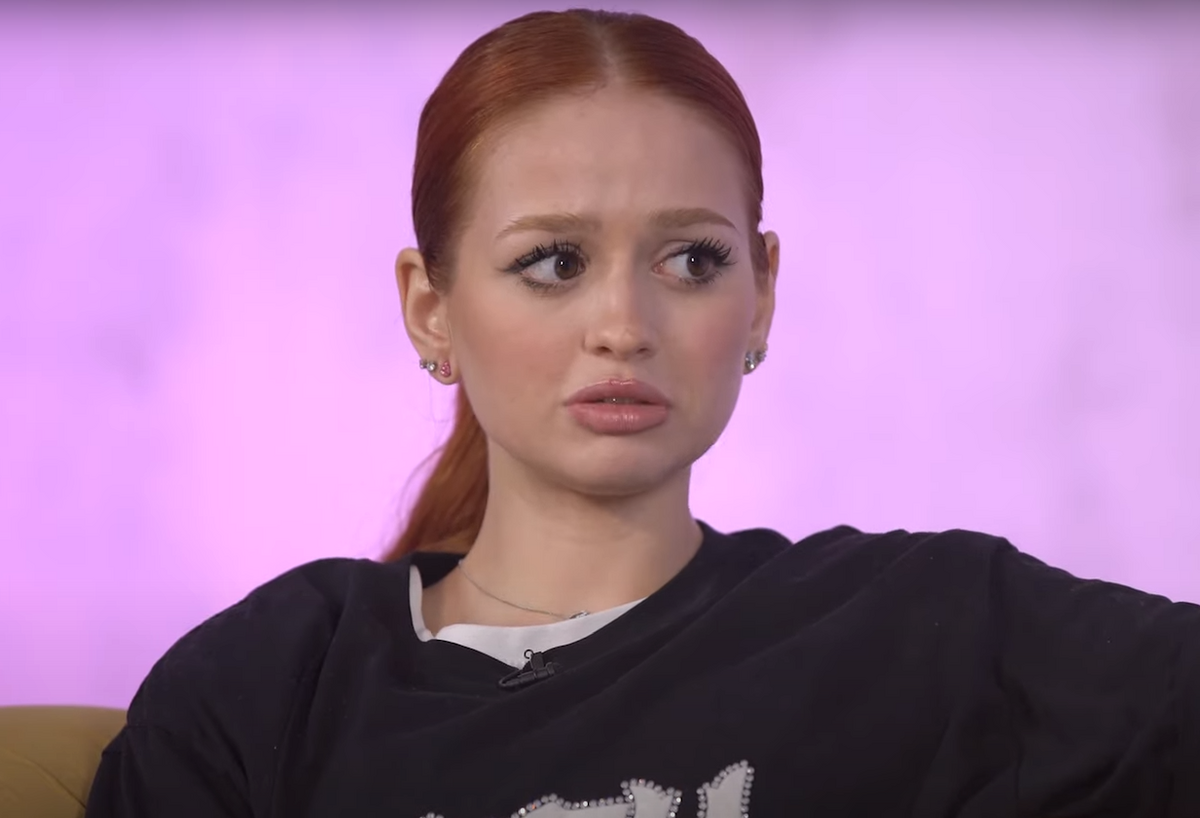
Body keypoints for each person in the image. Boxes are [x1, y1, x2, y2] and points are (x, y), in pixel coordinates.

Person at [85, 8, 1199, 818]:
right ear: (431, 307)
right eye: (554, 261)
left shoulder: (932, 627)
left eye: (692, 260)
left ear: (762, 291)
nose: (624, 324)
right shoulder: (268, 684)